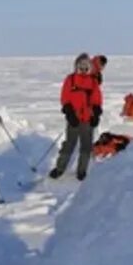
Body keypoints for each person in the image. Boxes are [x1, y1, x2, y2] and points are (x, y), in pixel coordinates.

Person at [50, 53, 103, 181]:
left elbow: (97, 100)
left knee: (86, 146)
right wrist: (69, 113)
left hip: (87, 119)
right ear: (76, 66)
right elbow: (65, 97)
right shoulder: (70, 80)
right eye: (81, 66)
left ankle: (81, 171)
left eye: (86, 67)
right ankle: (60, 168)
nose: (84, 69)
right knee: (69, 144)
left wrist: (96, 114)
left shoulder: (93, 82)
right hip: (73, 118)